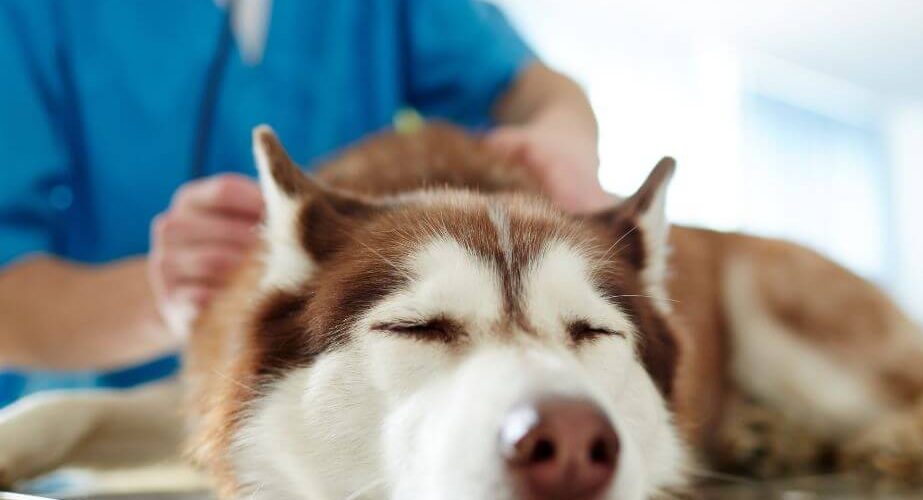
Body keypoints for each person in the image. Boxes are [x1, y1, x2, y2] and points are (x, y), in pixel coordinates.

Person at [0, 0, 610, 406]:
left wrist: (559, 141)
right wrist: (170, 298)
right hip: (105, 436)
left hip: (349, 410)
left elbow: (538, 90)